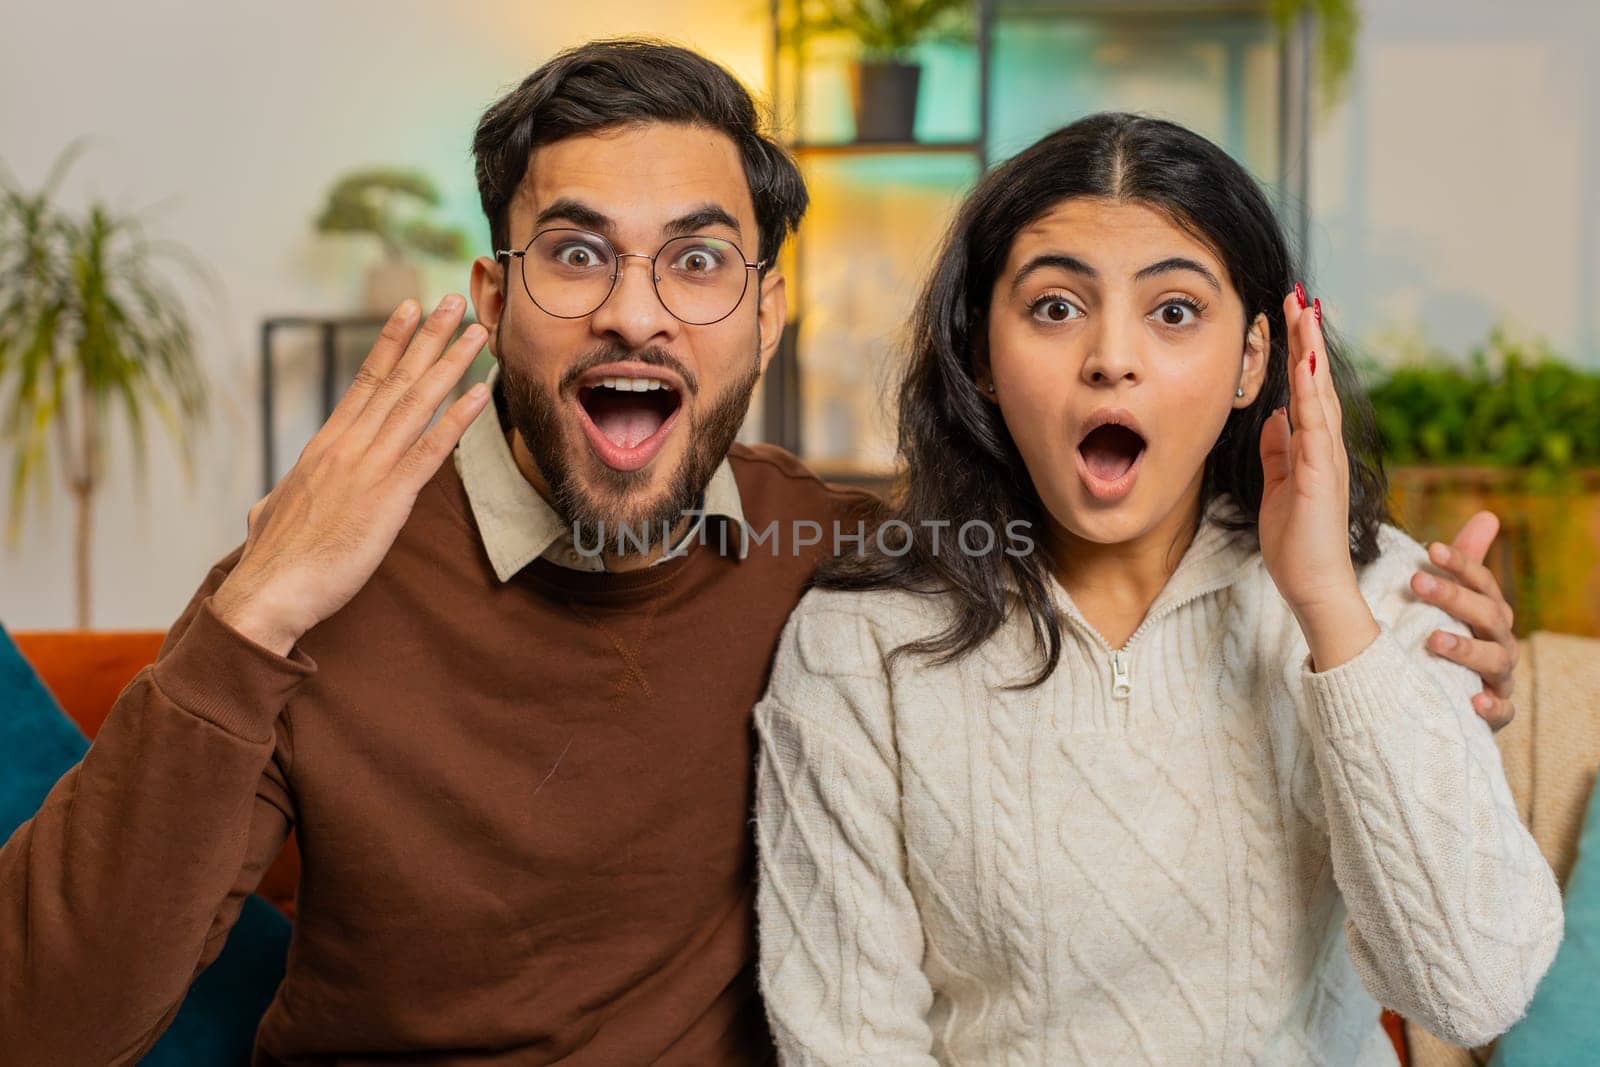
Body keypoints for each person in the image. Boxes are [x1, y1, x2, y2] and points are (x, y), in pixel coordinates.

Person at [0, 43, 1521, 1064]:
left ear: (767, 314)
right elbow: (48, 1020)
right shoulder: (321, 574)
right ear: (491, 293)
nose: (637, 312)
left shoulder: (844, 563)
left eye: (700, 260)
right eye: (576, 252)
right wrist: (258, 604)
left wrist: (1406, 663)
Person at [753, 113, 1561, 1065]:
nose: (1112, 357)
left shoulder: (1376, 591)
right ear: (980, 354)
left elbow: (1474, 992)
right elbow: (849, 1042)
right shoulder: (858, 642)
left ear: (1254, 361)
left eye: (1174, 311)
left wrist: (1330, 609)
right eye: (1056, 307)